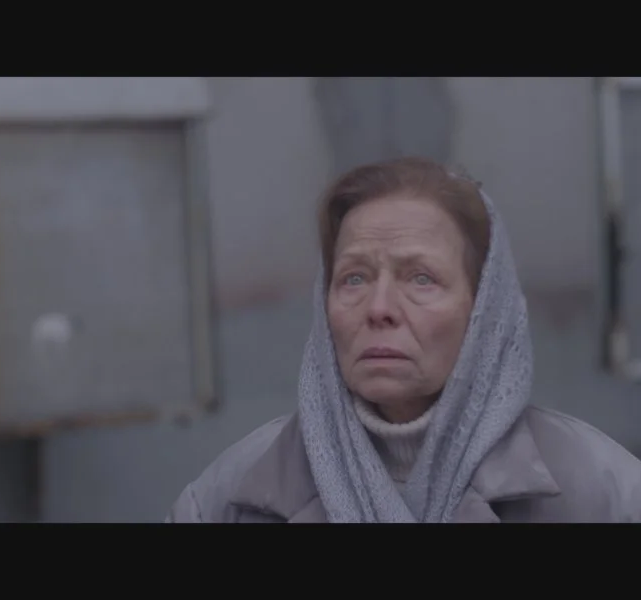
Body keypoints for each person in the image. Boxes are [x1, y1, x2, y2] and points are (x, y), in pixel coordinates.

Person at [166, 156, 641, 523]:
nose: (379, 308)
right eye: (354, 278)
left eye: (421, 278)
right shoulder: (230, 499)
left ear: (484, 310)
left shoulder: (601, 494)